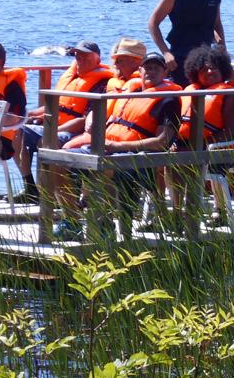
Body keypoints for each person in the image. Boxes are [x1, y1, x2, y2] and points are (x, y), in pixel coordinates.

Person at [55, 52, 181, 240]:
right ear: (140, 71)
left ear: (165, 72)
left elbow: (162, 142)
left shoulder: (168, 100)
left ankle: (102, 224)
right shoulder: (133, 94)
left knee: (99, 168)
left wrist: (117, 146)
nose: (151, 71)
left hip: (138, 159)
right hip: (105, 148)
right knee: (55, 161)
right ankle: (72, 222)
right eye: (147, 67)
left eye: (156, 68)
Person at [17, 40, 113, 202]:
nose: (80, 59)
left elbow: (84, 120)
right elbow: (59, 104)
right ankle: (30, 186)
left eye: (85, 55)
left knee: (45, 141)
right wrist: (29, 115)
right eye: (77, 55)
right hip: (54, 124)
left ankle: (51, 197)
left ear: (97, 59)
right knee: (17, 129)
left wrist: (55, 129)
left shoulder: (101, 83)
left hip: (74, 131)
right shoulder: (72, 78)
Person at [148, 0, 225, 87]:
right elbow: (153, 23)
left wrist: (222, 47)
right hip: (180, 59)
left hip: (205, 60)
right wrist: (165, 53)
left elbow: (216, 23)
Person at [178, 45, 234, 145]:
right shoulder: (190, 91)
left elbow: (229, 134)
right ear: (196, 74)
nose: (209, 72)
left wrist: (198, 147)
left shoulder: (231, 95)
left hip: (211, 150)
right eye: (204, 70)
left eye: (213, 68)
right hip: (181, 146)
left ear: (222, 70)